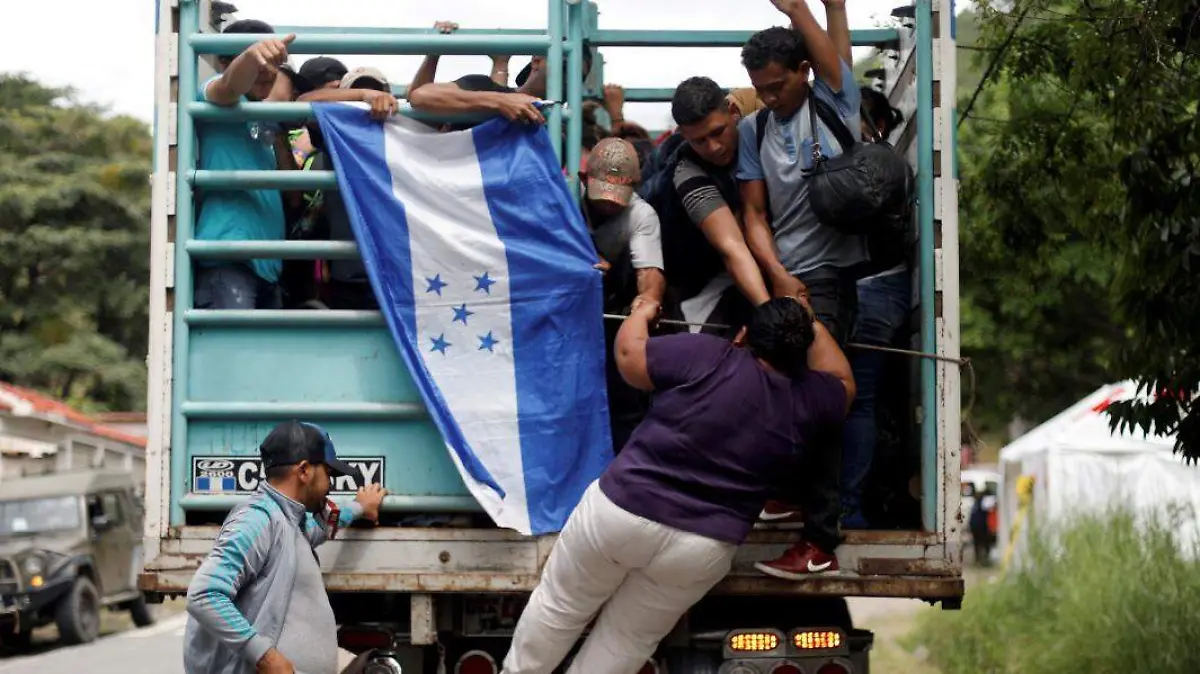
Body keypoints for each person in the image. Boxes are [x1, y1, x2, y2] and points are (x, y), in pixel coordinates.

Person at [500, 297, 855, 674]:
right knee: (627, 640)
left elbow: (629, 357)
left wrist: (640, 312)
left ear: (743, 335)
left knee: (560, 607)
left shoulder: (710, 355)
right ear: (803, 352)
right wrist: (810, 322)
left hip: (622, 512)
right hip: (704, 546)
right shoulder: (812, 399)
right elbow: (845, 381)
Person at [737, 0, 864, 577]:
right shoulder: (753, 129)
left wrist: (799, 9)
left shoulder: (835, 100)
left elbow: (829, 49)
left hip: (830, 280)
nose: (768, 97)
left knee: (821, 398)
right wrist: (776, 274)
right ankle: (788, 493)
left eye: (777, 85)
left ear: (804, 71)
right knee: (776, 392)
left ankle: (821, 542)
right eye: (759, 89)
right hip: (784, 282)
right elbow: (753, 214)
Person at [184, 422, 387, 674]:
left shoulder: (291, 522)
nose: (330, 486)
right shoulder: (257, 519)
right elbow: (204, 594)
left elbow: (321, 527)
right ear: (304, 471)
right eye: (328, 474)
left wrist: (359, 508)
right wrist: (265, 657)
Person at [652, 76, 771, 337]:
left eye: (718, 132)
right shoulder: (685, 171)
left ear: (732, 111)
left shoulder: (767, 134)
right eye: (700, 141)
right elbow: (732, 247)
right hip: (704, 275)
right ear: (683, 135)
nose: (714, 148)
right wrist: (770, 312)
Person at [840, 86, 910, 529]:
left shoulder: (877, 164)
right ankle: (849, 506)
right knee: (857, 400)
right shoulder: (883, 162)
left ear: (877, 124)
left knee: (856, 400)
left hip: (873, 289)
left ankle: (848, 509)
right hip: (877, 288)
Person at [194, 20, 298, 310]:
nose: (267, 70)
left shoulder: (261, 115)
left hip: (266, 266)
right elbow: (230, 85)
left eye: (273, 62)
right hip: (230, 257)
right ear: (223, 62)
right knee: (232, 342)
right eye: (258, 62)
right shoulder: (213, 95)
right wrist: (252, 56)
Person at [583, 138, 666, 454]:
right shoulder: (562, 199)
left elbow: (650, 278)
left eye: (616, 199)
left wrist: (646, 303)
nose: (608, 206)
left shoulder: (641, 215)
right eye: (601, 198)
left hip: (615, 308)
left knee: (625, 402)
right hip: (566, 311)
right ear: (583, 179)